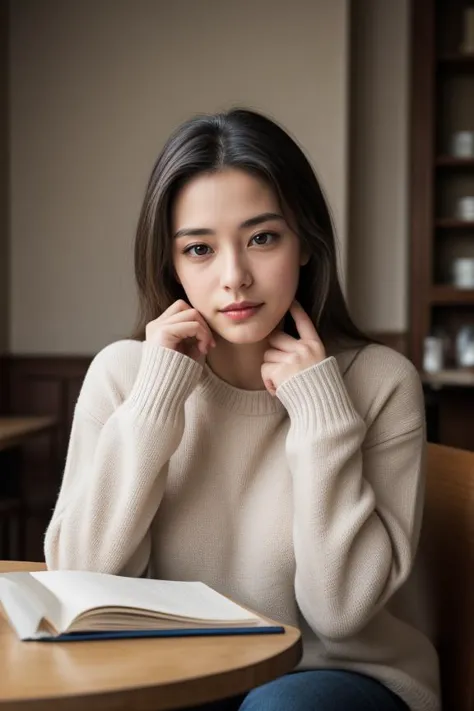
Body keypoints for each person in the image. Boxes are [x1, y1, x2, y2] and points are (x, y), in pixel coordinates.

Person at [44, 108, 440, 711]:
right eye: (199, 248)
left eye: (262, 238)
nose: (235, 277)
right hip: (178, 672)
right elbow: (78, 578)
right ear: (171, 264)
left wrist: (320, 414)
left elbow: (341, 614)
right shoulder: (125, 375)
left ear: (305, 241)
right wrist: (157, 400)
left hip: (336, 676)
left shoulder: (380, 383)